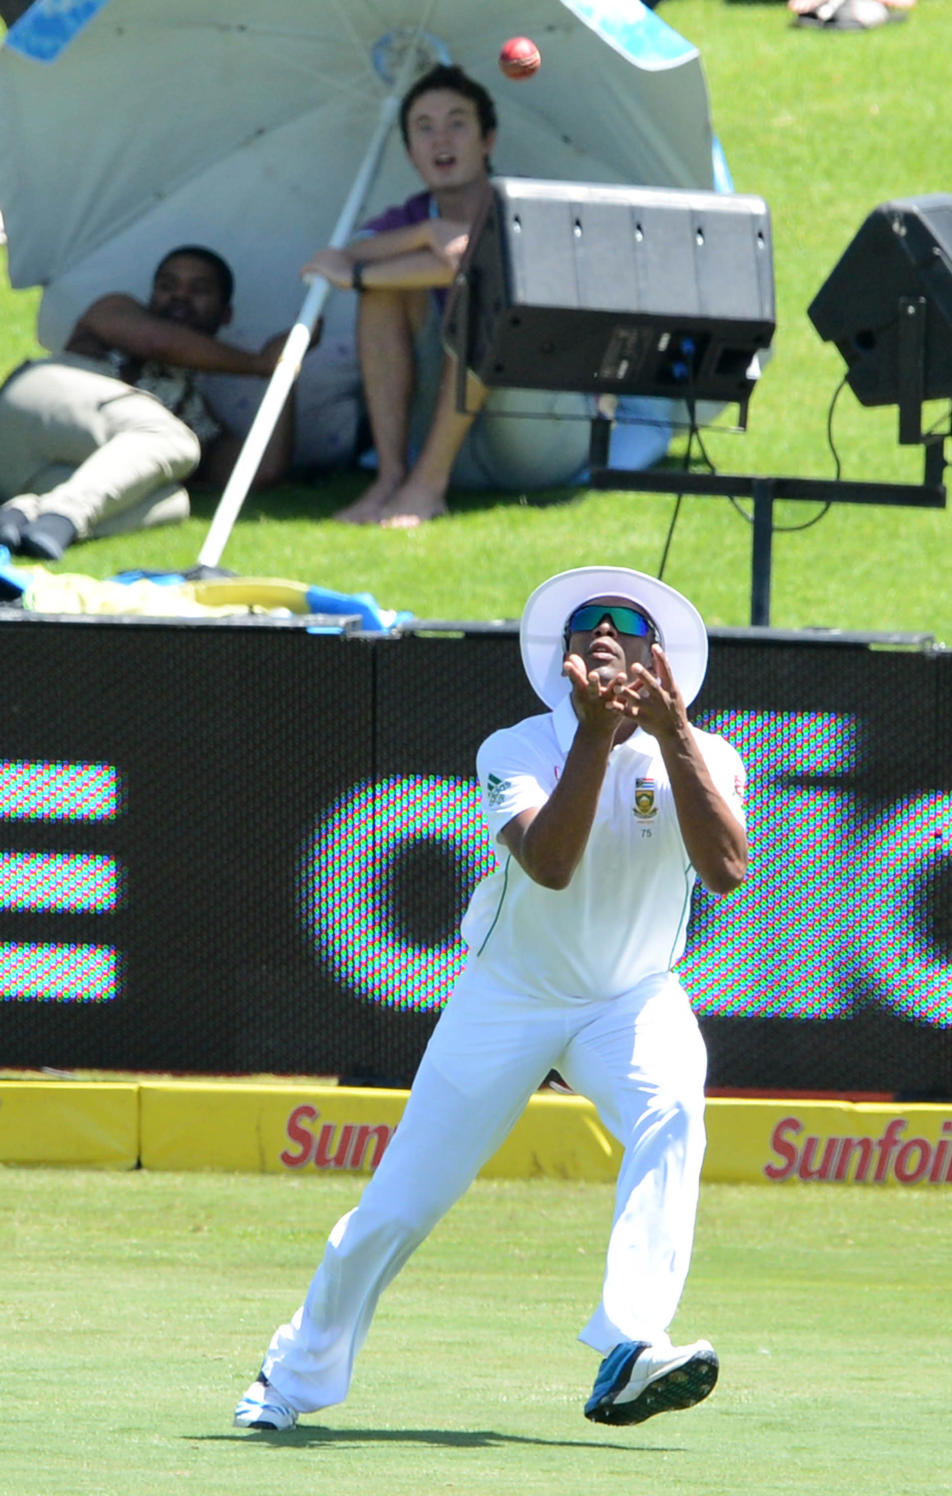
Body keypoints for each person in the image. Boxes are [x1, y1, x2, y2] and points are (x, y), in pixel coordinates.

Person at [234, 563, 748, 1433]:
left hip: (630, 998)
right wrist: (597, 738)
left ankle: (631, 1342)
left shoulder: (708, 753)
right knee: (401, 1202)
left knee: (674, 1112)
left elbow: (728, 872)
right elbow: (550, 866)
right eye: (588, 622)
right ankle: (290, 1378)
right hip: (508, 995)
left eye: (627, 622)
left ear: (662, 657)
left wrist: (674, 739)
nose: (605, 629)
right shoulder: (515, 747)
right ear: (565, 662)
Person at [303, 65, 672, 529]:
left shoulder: (529, 208)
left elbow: (455, 265)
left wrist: (363, 272)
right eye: (424, 127)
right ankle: (391, 478)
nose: (442, 139)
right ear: (411, 152)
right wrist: (425, 233)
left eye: (458, 123)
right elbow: (343, 256)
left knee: (482, 292)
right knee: (382, 294)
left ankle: (427, 487)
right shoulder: (412, 218)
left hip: (538, 439)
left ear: (487, 141)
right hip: (446, 437)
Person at [0, 245, 295, 560]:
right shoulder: (113, 310)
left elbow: (261, 469)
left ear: (226, 314)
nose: (179, 296)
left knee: (174, 501)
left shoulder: (197, 412)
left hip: (27, 476)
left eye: (199, 290)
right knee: (174, 438)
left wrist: (286, 369)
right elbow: (158, 342)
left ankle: (22, 514)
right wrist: (258, 364)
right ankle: (65, 516)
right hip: (37, 403)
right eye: (167, 286)